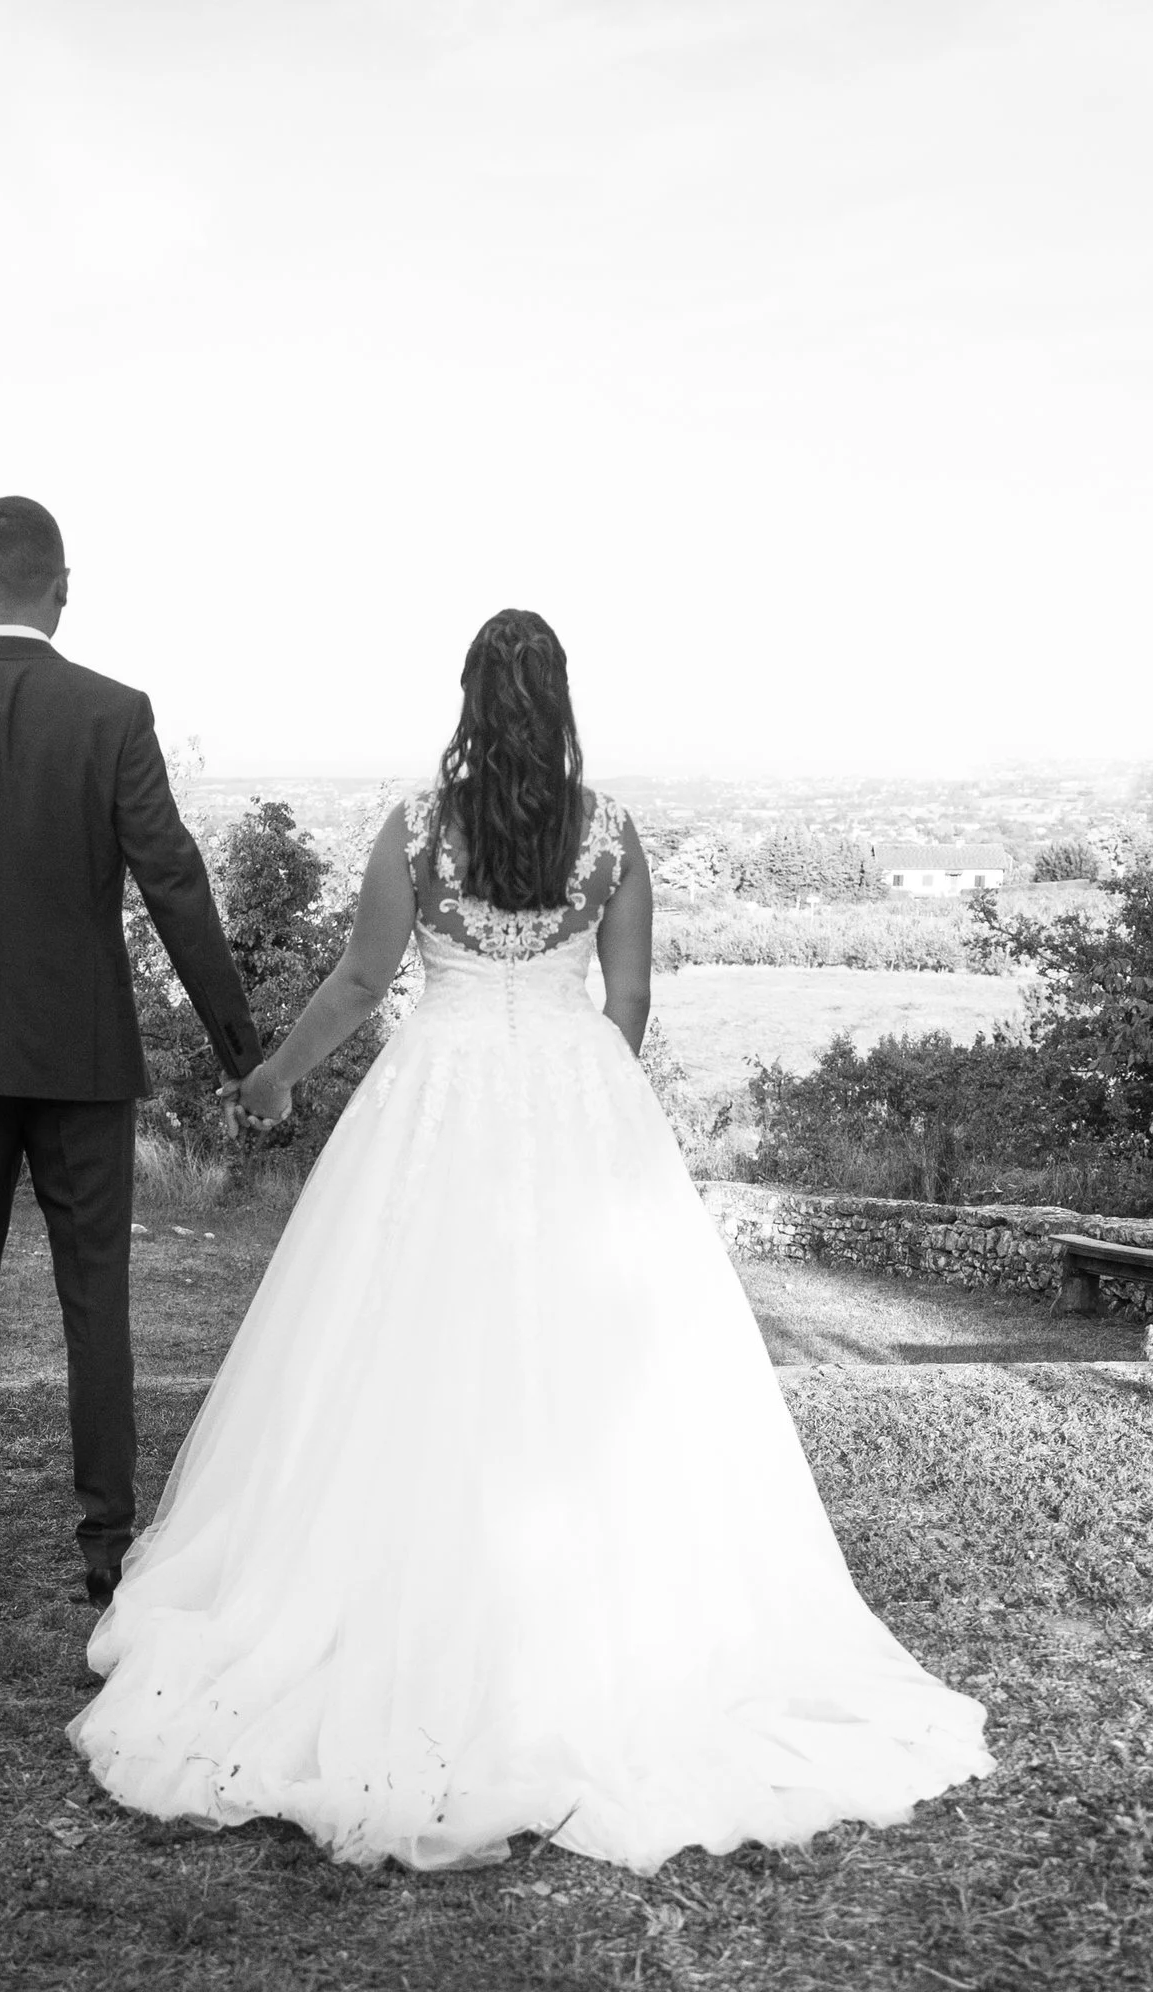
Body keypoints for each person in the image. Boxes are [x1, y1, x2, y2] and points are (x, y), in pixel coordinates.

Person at [70, 608, 991, 1872]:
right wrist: (588, 1103)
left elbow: (359, 981)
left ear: (465, 697)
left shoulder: (417, 827)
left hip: (435, 1094)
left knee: (399, 1336)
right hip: (575, 1093)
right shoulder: (611, 834)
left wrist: (278, 1075)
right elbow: (629, 1000)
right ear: (559, 701)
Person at [0, 495, 262, 1610]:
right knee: (97, 1305)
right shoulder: (114, 714)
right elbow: (174, 880)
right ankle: (106, 1546)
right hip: (84, 1062)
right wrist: (238, 1045)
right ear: (61, 591)